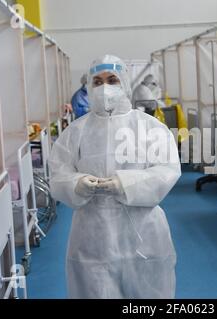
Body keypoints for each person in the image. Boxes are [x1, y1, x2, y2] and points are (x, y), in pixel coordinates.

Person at [48, 55, 181, 299]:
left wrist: (125, 183)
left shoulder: (151, 128)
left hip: (143, 232)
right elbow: (58, 173)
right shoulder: (76, 131)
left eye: (112, 80)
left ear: (125, 83)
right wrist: (76, 184)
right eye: (97, 82)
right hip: (92, 233)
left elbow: (167, 170)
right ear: (88, 85)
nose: (105, 87)